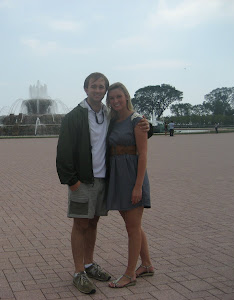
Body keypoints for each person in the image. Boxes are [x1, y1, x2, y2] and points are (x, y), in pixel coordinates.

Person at [56, 72, 150, 295]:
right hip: (82, 181)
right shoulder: (74, 117)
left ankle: (89, 264)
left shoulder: (108, 114)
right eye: (93, 86)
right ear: (86, 89)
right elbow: (63, 153)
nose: (98, 90)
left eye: (101, 87)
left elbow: (130, 125)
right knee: (80, 225)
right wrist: (73, 182)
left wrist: (149, 126)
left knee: (94, 223)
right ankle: (79, 272)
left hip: (103, 180)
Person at [105, 82, 154, 289]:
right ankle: (148, 265)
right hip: (118, 176)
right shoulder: (112, 120)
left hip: (133, 176)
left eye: (119, 96)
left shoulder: (137, 120)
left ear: (126, 96)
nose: (115, 101)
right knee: (133, 225)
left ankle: (129, 274)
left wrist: (138, 187)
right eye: (112, 98)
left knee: (132, 227)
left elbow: (143, 154)